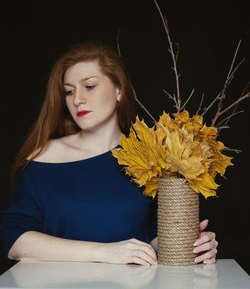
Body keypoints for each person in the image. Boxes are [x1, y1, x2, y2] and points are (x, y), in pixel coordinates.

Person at [1, 42, 218, 266]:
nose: (77, 99)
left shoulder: (153, 158)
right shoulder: (43, 157)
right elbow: (15, 241)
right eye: (69, 91)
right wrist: (106, 253)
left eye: (89, 86)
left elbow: (155, 242)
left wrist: (194, 247)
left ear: (119, 91)